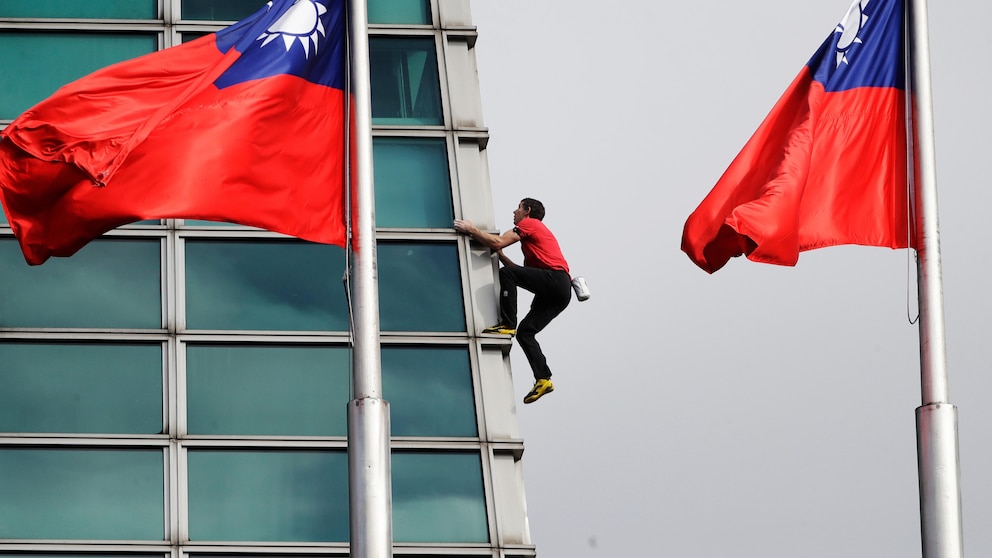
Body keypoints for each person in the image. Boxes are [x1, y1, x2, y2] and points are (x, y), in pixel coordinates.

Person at [454, 198, 571, 404]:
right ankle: (543, 379)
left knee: (506, 274)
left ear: (527, 210)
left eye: (518, 207)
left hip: (555, 280)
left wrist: (471, 229)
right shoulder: (535, 240)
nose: (514, 211)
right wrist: (500, 255)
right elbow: (518, 270)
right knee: (525, 333)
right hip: (560, 291)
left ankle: (507, 324)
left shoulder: (530, 223)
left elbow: (498, 242)